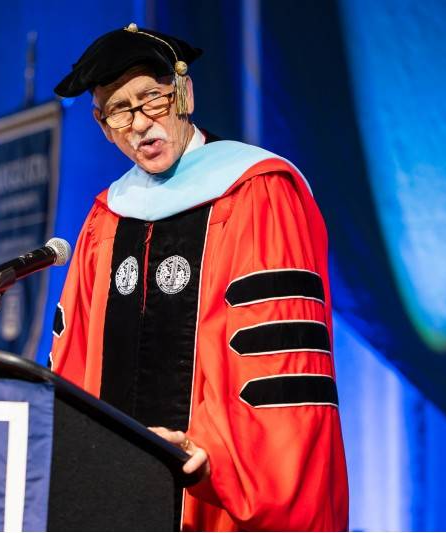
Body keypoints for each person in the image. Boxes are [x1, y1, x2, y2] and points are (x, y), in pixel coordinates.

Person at [50, 24, 348, 531]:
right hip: (118, 497)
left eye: (152, 100)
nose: (140, 124)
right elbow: (76, 359)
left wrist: (210, 453)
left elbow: (277, 363)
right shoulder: (108, 216)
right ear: (103, 126)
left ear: (184, 93)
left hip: (215, 494)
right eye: (119, 112)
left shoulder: (255, 192)